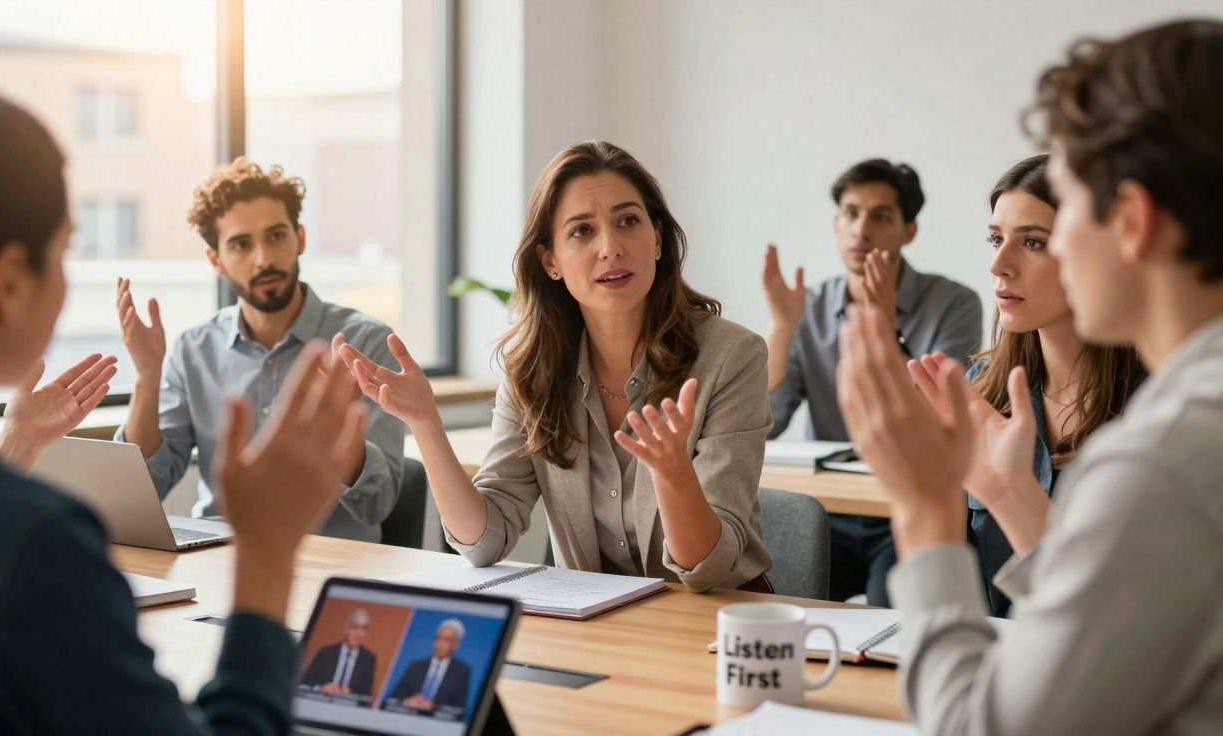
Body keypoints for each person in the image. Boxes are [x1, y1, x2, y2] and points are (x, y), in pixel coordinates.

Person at [0, 82, 369, 735]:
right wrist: (266, 553)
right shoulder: (37, 545)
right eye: (66, 250)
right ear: (9, 282)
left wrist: (13, 449)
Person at [836, 19, 1223, 733]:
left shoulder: (1162, 461)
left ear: (1131, 220)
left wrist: (926, 511)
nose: (1003, 264)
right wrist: (1010, 492)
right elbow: (1114, 634)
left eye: (1066, 214)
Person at [340, 140, 774, 593]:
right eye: (582, 232)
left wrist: (673, 475)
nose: (610, 248)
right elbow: (483, 542)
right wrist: (426, 423)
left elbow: (709, 570)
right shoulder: (531, 368)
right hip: (601, 621)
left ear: (658, 239)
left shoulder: (731, 356)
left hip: (718, 624)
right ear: (550, 261)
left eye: (628, 221)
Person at [115, 158, 404, 542]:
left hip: (331, 563)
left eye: (276, 236)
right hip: (219, 560)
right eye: (241, 244)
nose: (264, 258)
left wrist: (338, 431)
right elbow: (146, 489)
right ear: (215, 260)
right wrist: (147, 379)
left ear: (300, 238)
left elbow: (379, 504)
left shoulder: (364, 344)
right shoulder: (193, 350)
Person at [909, 154, 1143, 616]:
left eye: (1033, 242)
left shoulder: (1155, 407)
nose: (999, 265)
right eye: (995, 239)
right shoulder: (979, 388)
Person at [762, 158, 982, 606]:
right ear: (836, 223)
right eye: (851, 213)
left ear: (909, 230)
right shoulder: (809, 305)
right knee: (775, 602)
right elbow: (764, 423)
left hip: (903, 509)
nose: (862, 230)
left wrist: (881, 325)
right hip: (826, 512)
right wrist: (782, 329)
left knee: (895, 629)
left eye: (881, 216)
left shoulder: (955, 303)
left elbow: (938, 421)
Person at [387, 620, 472, 717]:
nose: (439, 643)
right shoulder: (416, 666)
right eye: (437, 638)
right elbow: (391, 701)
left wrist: (434, 707)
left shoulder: (461, 671)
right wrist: (406, 702)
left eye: (446, 639)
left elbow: (458, 711)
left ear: (456, 645)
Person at [300, 609, 377, 700]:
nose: (359, 633)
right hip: (320, 702)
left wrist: (350, 695)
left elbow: (366, 697)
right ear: (346, 628)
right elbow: (304, 684)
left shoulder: (368, 659)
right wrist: (321, 689)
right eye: (355, 627)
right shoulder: (326, 653)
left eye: (364, 629)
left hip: (348, 709)